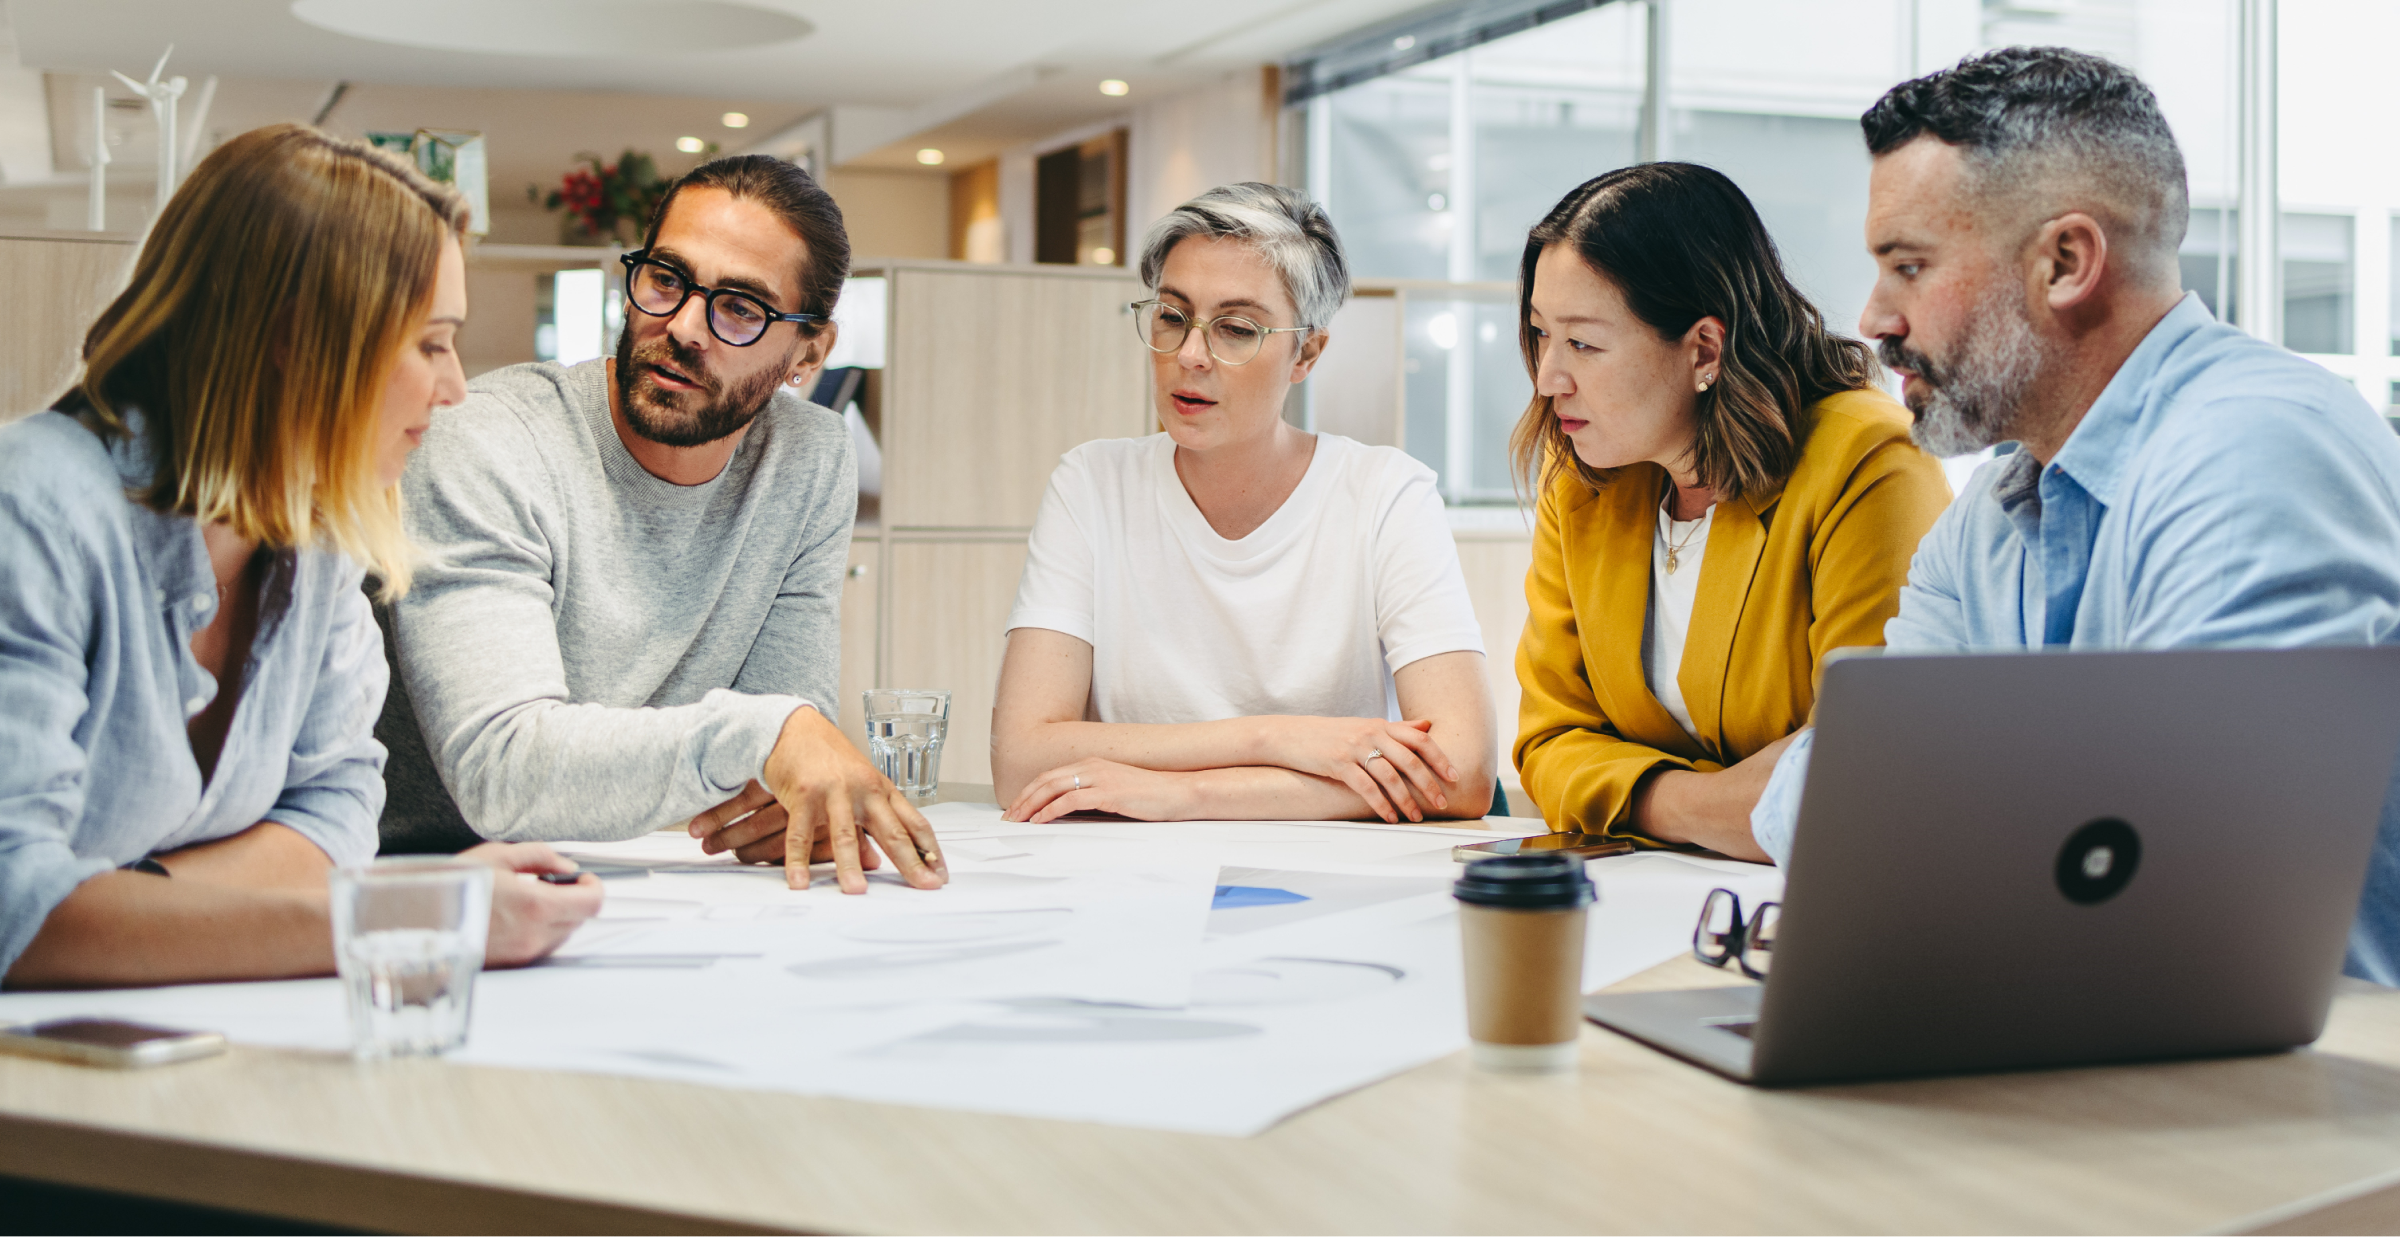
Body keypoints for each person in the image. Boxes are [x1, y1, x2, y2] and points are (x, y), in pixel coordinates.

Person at [1747, 48, 2400, 980]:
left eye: (1909, 266)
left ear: (2065, 261)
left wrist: (1945, 786)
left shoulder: (2254, 451)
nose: (1875, 317)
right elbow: (1822, 803)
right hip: (2100, 1039)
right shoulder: (1988, 518)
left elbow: (2183, 876)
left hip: (2306, 1093)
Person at [0, 124, 600, 988]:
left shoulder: (314, 541)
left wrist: (124, 903)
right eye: (431, 342)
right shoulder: (36, 509)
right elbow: (17, 911)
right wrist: (412, 913)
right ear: (298, 336)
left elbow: (338, 811)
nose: (456, 386)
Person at [376, 154, 945, 896]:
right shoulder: (489, 439)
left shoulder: (809, 459)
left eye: (741, 307)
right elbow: (502, 771)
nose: (681, 327)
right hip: (422, 883)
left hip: (633, 887)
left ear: (811, 351)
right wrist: (766, 737)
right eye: (667, 279)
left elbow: (774, 782)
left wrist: (778, 766)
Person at [992, 183, 1495, 826]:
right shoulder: (1092, 484)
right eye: (1172, 317)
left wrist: (1187, 796)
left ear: (1306, 353)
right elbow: (1021, 759)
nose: (1190, 356)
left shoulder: (1384, 494)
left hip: (1331, 881)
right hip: (1127, 875)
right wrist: (1276, 739)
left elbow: (1462, 770)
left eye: (1236, 329)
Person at [1510, 163, 1950, 858]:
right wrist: (1700, 805)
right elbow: (1548, 739)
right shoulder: (1586, 479)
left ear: (1704, 349)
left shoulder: (1868, 461)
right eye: (1540, 334)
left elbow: (1860, 770)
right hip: (1644, 897)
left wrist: (1619, 788)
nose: (1547, 378)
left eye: (1584, 343)